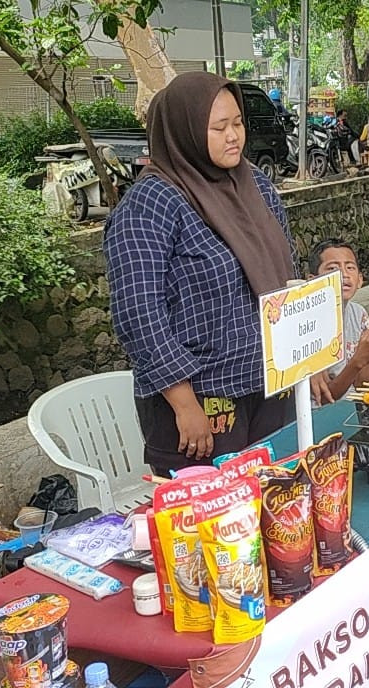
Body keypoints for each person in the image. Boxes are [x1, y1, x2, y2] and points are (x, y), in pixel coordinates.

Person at [105, 72, 329, 477]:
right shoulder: (151, 204)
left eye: (238, 123)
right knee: (212, 528)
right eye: (219, 127)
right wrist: (183, 403)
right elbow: (139, 313)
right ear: (185, 131)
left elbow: (285, 278)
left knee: (276, 507)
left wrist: (304, 362)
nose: (234, 137)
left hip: (267, 388)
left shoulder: (255, 185)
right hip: (201, 405)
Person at [309, 238, 369, 400]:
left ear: (360, 280)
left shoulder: (358, 314)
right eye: (332, 268)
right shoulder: (309, 325)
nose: (344, 274)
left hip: (352, 407)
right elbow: (324, 398)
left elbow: (361, 381)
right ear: (312, 280)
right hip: (320, 417)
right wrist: (357, 360)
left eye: (350, 267)